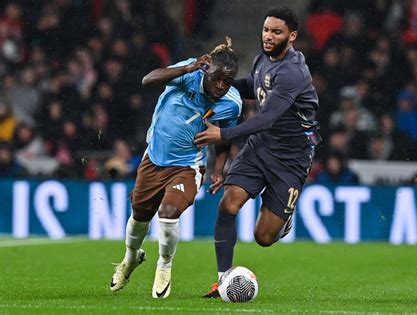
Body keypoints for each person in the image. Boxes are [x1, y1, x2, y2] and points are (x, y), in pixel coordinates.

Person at [194, 6, 320, 298]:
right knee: (228, 204)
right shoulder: (264, 58)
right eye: (266, 29)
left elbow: (268, 116)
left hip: (291, 159)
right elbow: (254, 86)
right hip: (261, 147)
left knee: (263, 237)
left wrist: (223, 134)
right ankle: (222, 280)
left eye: (276, 32)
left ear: (292, 36)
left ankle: (283, 219)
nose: (268, 36)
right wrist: (219, 84)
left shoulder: (293, 72)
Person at [109, 38, 242, 299]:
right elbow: (148, 80)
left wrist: (219, 168)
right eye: (217, 79)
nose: (221, 86)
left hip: (187, 165)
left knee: (168, 212)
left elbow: (223, 135)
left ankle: (164, 266)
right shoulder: (188, 73)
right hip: (154, 158)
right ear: (207, 70)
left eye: (228, 81)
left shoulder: (232, 102)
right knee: (139, 217)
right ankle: (130, 259)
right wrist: (187, 69)